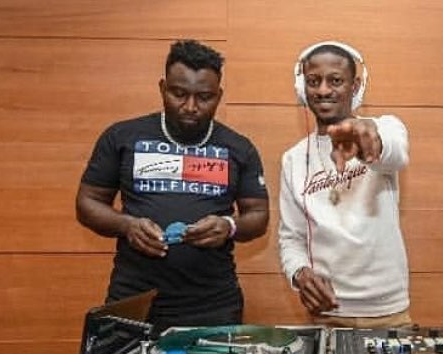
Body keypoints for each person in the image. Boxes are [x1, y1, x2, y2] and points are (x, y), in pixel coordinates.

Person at [76, 40, 269, 333]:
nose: (190, 107)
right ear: (162, 88)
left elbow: (259, 215)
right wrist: (127, 225)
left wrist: (229, 226)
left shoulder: (239, 148)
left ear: (219, 95)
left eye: (204, 97)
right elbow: (87, 202)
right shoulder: (122, 137)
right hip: (134, 300)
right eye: (179, 94)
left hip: (213, 304)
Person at [278, 41, 411, 328]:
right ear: (302, 89)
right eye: (314, 81)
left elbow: (396, 152)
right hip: (326, 315)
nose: (323, 90)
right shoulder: (293, 159)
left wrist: (368, 141)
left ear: (355, 86)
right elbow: (291, 237)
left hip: (388, 313)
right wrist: (300, 273)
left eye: (335, 80)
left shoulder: (385, 128)